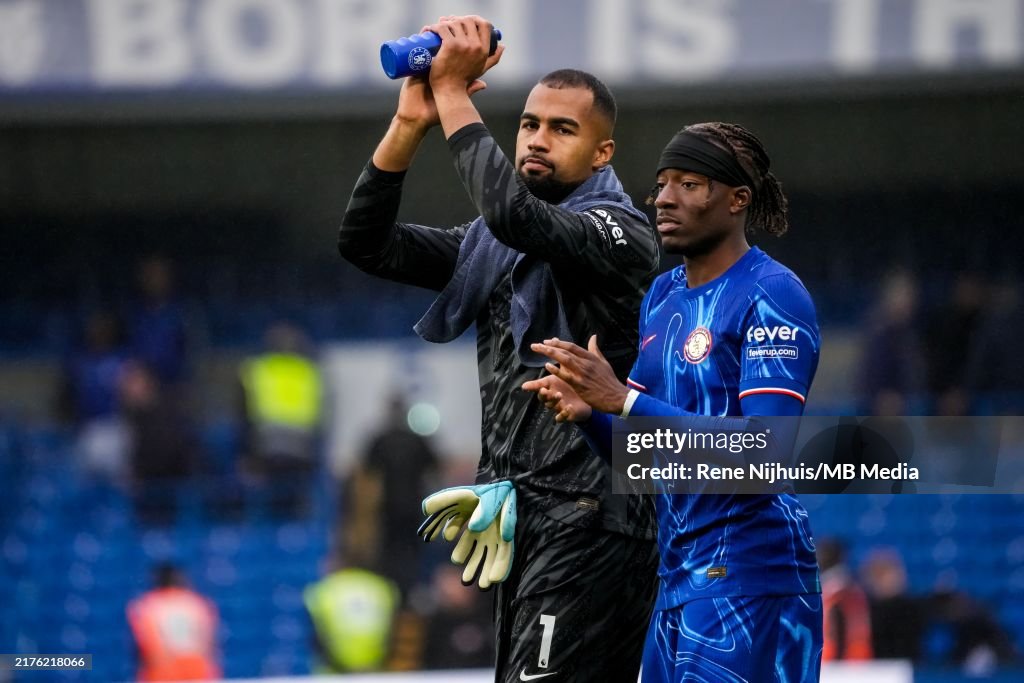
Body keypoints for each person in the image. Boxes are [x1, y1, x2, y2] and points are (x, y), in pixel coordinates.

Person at [337, 15, 660, 681]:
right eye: (530, 124)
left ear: (602, 153)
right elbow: (366, 244)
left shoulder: (621, 232)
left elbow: (517, 215)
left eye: (563, 129)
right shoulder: (492, 244)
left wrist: (454, 93)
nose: (538, 139)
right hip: (528, 516)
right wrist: (410, 124)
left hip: (597, 518)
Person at [524, 122, 824, 680]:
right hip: (677, 579)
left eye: (689, 184)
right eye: (662, 183)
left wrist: (623, 400)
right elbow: (643, 457)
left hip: (749, 578)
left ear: (737, 199)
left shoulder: (773, 293)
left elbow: (767, 454)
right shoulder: (662, 297)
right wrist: (589, 415)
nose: (664, 198)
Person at [238, 321, 323, 516]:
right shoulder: (308, 370)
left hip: (267, 448)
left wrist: (246, 451)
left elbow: (242, 413)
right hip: (300, 449)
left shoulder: (257, 369)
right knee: (294, 505)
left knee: (271, 506)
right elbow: (321, 415)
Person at [304, 556, 400, 674]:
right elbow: (393, 632)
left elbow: (317, 637)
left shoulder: (324, 589)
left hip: (334, 672)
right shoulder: (381, 586)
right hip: (374, 670)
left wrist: (342, 668)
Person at [127, 563, 220, 682]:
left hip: (163, 665)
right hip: (196, 663)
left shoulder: (148, 604)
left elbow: (146, 640)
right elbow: (208, 639)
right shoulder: (196, 602)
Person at [817, 537, 872, 661]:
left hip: (840, 660)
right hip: (854, 658)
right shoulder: (852, 586)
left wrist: (838, 661)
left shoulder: (838, 591)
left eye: (823, 553)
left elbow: (840, 629)